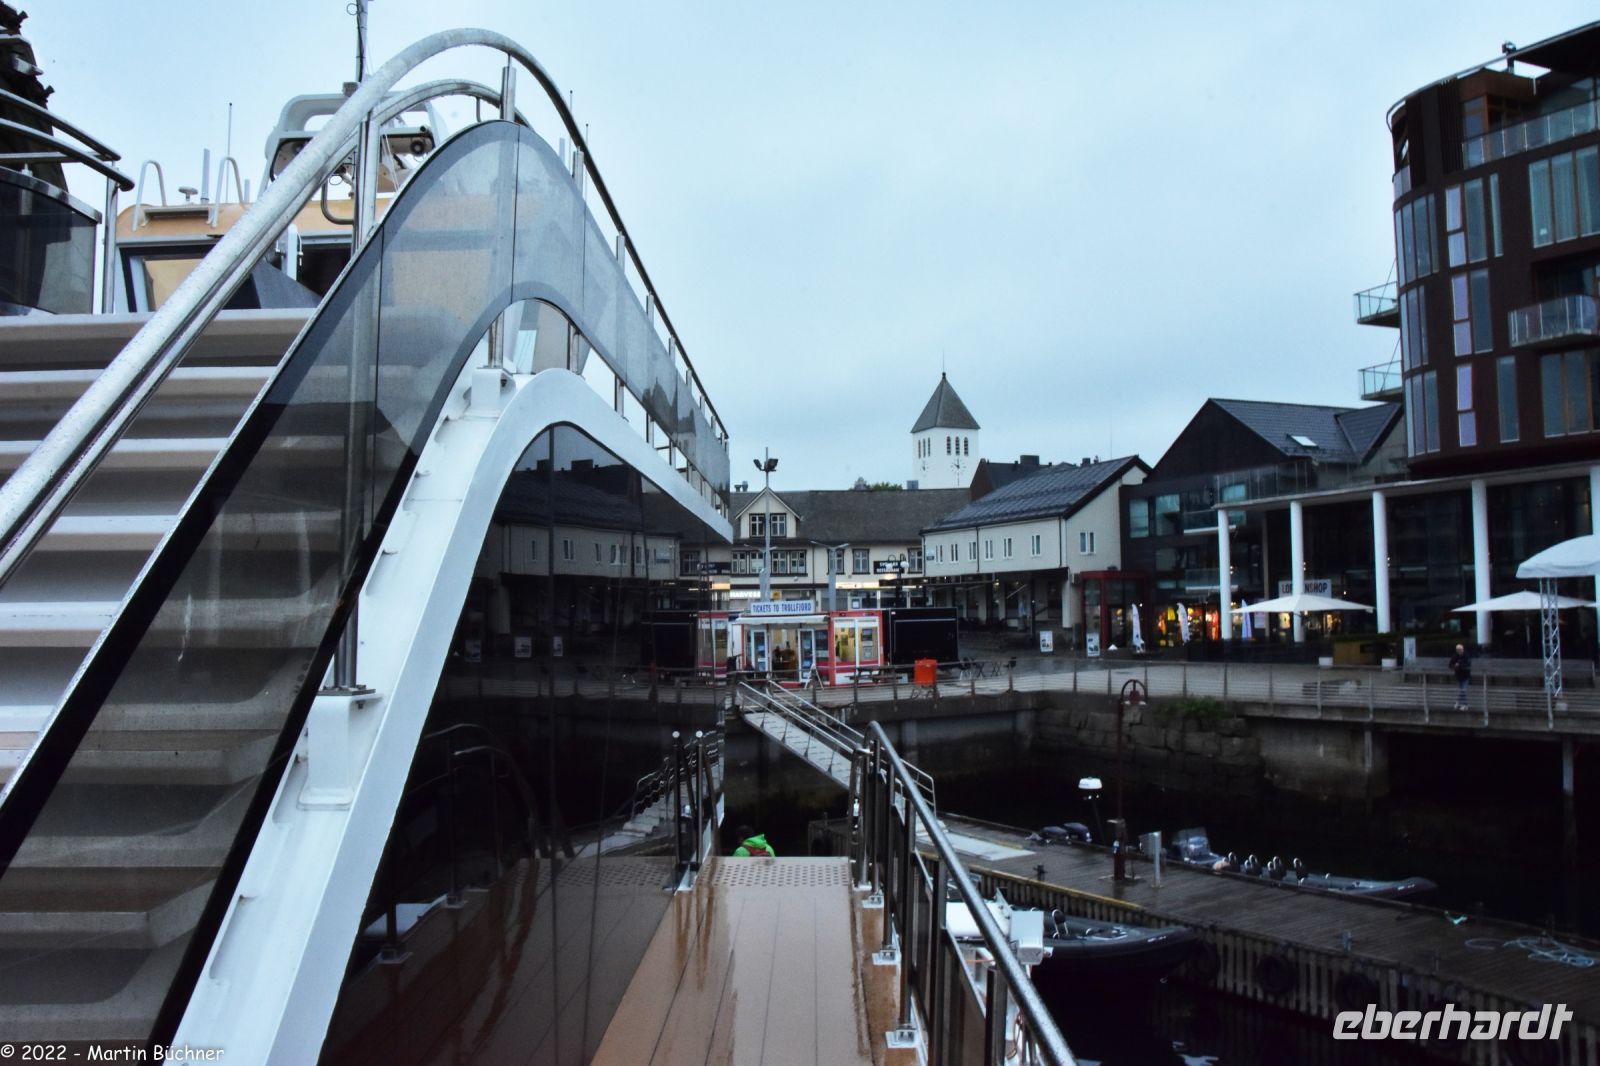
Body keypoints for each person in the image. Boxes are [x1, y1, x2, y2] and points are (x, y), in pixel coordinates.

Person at [1449, 643, 1471, 710]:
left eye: (1461, 650)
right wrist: (1455, 665)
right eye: (1458, 650)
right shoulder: (1455, 656)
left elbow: (1468, 664)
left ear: (1463, 649)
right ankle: (1459, 702)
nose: (1460, 651)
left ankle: (1464, 704)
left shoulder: (1466, 655)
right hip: (1458, 676)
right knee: (1461, 691)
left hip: (1465, 676)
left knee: (1463, 690)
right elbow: (1450, 665)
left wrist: (1459, 664)